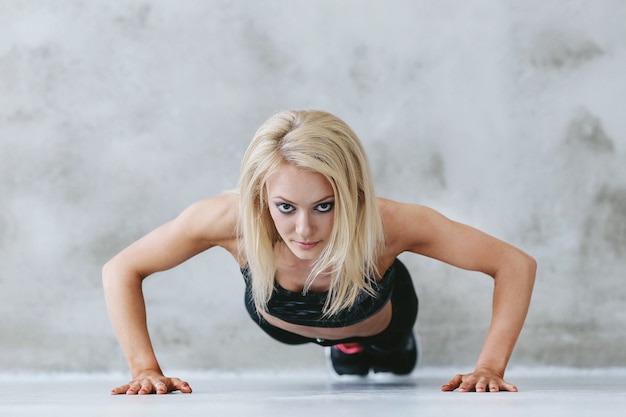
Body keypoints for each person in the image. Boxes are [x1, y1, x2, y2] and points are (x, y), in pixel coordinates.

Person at [102, 110, 536, 395]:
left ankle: (358, 347)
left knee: (396, 365)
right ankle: (343, 350)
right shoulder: (228, 219)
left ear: (352, 193)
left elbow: (514, 264)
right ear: (261, 195)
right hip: (286, 327)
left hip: (381, 325)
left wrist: (490, 367)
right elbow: (122, 268)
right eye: (285, 208)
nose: (304, 230)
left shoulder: (391, 223)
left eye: (325, 206)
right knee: (342, 361)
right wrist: (145, 369)